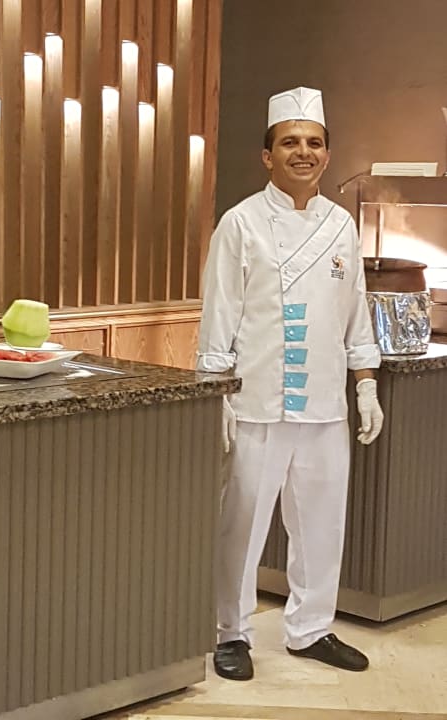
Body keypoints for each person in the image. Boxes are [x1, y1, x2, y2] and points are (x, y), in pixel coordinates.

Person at [196, 86, 384, 681]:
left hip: (326, 404)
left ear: (327, 154)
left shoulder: (342, 225)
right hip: (257, 400)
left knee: (324, 525)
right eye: (290, 142)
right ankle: (231, 632)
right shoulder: (241, 223)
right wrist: (215, 393)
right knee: (243, 525)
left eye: (314, 143)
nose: (303, 152)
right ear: (267, 155)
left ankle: (311, 628)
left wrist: (366, 385)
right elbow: (219, 313)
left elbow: (354, 310)